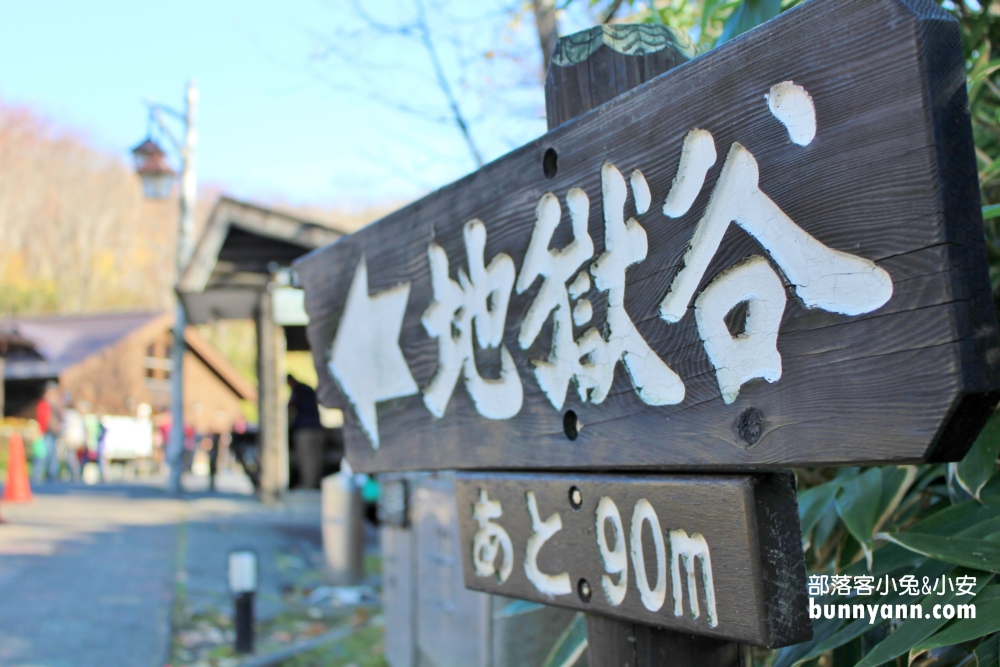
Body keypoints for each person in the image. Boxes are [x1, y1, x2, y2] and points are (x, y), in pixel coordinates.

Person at [287, 374, 325, 489]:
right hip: (317, 428)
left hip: (305, 430)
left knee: (306, 459)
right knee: (316, 459)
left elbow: (291, 408)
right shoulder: (308, 389)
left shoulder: (298, 390)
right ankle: (314, 484)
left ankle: (308, 485)